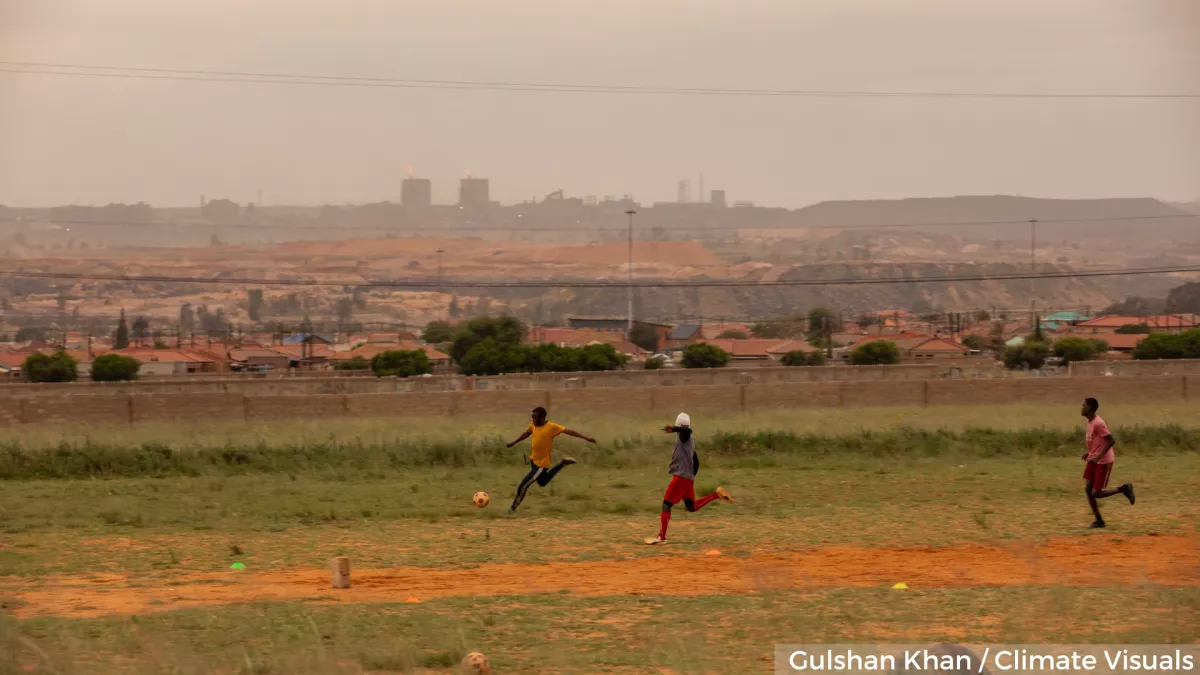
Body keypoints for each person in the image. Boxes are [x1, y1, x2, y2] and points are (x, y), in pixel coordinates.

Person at [646, 413, 733, 545]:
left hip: (681, 478)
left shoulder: (684, 435)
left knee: (666, 505)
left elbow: (687, 430)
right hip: (687, 478)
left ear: (678, 425)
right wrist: (690, 478)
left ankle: (662, 537)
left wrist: (674, 429)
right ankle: (716, 495)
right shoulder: (689, 442)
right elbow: (696, 463)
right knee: (691, 507)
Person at [505, 406, 596, 514]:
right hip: (534, 462)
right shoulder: (533, 425)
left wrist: (586, 438)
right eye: (532, 418)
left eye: (535, 418)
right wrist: (514, 442)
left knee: (523, 485)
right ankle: (562, 463)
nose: (533, 421)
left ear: (543, 417)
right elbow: (527, 433)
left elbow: (569, 431)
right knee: (542, 482)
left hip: (540, 465)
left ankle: (512, 509)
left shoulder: (552, 427)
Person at [1080, 397, 1135, 529]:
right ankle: (1099, 521)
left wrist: (1098, 457)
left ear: (1090, 409)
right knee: (1088, 489)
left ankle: (1124, 489)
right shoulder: (1090, 422)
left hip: (1103, 460)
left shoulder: (1098, 423)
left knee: (1096, 493)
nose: (1081, 408)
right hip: (1094, 458)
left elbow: (1110, 441)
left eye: (1084, 406)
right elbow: (1098, 441)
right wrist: (1090, 453)